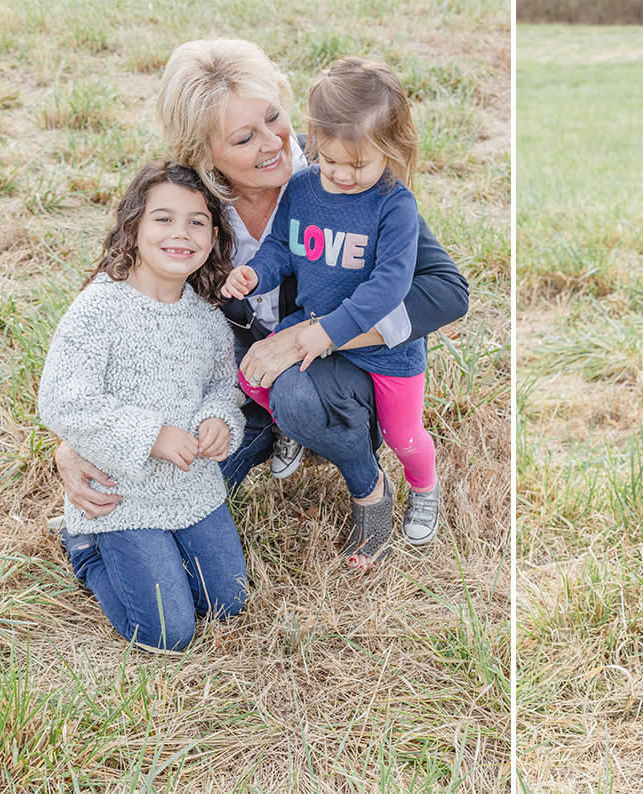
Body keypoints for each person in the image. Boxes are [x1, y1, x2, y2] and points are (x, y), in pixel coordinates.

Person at [53, 39, 469, 570]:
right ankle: (96, 527)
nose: (275, 143)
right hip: (242, 384)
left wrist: (316, 333)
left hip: (338, 369)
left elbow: (448, 291)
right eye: (245, 137)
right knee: (179, 489)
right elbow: (116, 306)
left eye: (275, 117)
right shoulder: (192, 208)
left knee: (294, 391)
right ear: (201, 152)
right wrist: (72, 442)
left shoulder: (346, 170)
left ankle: (368, 487)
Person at [223, 57, 438, 569]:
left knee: (403, 437)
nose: (340, 174)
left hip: (383, 351)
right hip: (315, 319)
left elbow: (390, 286)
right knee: (253, 376)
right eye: (330, 159)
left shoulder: (394, 206)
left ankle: (423, 487)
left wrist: (331, 333)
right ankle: (291, 430)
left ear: (392, 149)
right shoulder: (301, 188)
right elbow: (281, 247)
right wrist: (257, 273)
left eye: (357, 165)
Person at [38, 161, 247, 653]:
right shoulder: (100, 308)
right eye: (163, 219)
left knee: (228, 602)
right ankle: (84, 547)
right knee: (168, 633)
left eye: (196, 222)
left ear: (214, 235)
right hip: (120, 496)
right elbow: (63, 397)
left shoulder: (206, 319)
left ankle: (162, 555)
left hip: (192, 488)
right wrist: (150, 435)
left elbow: (224, 388)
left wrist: (218, 419)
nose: (181, 233)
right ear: (133, 228)